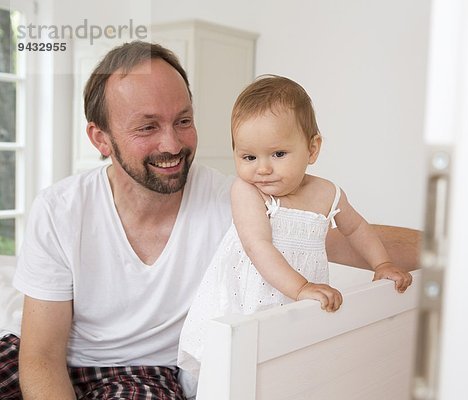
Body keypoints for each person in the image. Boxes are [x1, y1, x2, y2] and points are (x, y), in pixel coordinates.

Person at [0, 41, 420, 399]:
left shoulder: (235, 201)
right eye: (147, 127)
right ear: (101, 138)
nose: (172, 143)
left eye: (183, 120)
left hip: (142, 373)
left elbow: (338, 236)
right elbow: (40, 357)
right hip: (43, 358)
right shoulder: (60, 208)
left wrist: (460, 244)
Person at [177, 75, 413, 380]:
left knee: (293, 365)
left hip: (300, 294)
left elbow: (356, 230)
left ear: (312, 149)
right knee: (233, 369)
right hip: (247, 300)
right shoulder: (248, 191)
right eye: (249, 156)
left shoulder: (327, 193)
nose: (262, 168)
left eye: (278, 154)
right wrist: (300, 287)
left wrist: (381, 263)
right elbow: (257, 246)